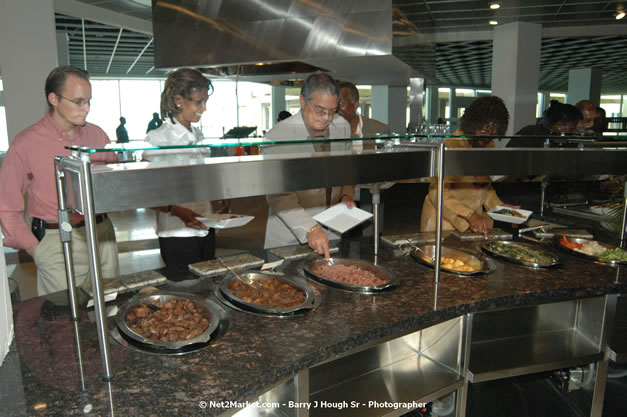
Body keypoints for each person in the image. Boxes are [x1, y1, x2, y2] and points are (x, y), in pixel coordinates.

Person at [0, 66, 119, 295]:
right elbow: (6, 206)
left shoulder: (98, 136)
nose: (86, 108)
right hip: (57, 240)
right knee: (65, 321)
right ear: (53, 99)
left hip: (102, 235)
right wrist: (36, 250)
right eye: (78, 101)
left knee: (110, 307)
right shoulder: (26, 143)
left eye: (89, 101)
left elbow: (114, 183)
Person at [262, 73, 355, 258]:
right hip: (290, 234)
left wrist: (346, 194)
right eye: (320, 110)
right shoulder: (277, 136)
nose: (327, 117)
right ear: (303, 101)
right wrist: (309, 228)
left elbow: (346, 170)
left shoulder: (342, 126)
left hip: (331, 231)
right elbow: (279, 196)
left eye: (332, 110)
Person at [143, 68, 219, 274]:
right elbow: (147, 193)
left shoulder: (198, 135)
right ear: (178, 100)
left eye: (205, 101)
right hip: (177, 233)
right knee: (184, 291)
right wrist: (177, 210)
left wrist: (217, 197)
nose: (203, 108)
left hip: (205, 225)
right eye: (198, 101)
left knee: (206, 285)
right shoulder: (158, 139)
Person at [420, 96, 518, 237]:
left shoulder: (487, 146)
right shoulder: (452, 146)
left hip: (474, 224)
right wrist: (469, 214)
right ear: (471, 125)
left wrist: (500, 207)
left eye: (493, 135)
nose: (487, 138)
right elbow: (437, 192)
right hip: (443, 223)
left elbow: (483, 186)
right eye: (483, 132)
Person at [337, 81, 389, 150]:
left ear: (355, 104)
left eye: (341, 104)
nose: (336, 109)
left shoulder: (380, 130)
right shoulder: (326, 131)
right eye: (334, 104)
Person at [508, 100, 582, 147]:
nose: (575, 131)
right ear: (559, 125)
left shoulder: (528, 130)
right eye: (572, 128)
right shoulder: (532, 137)